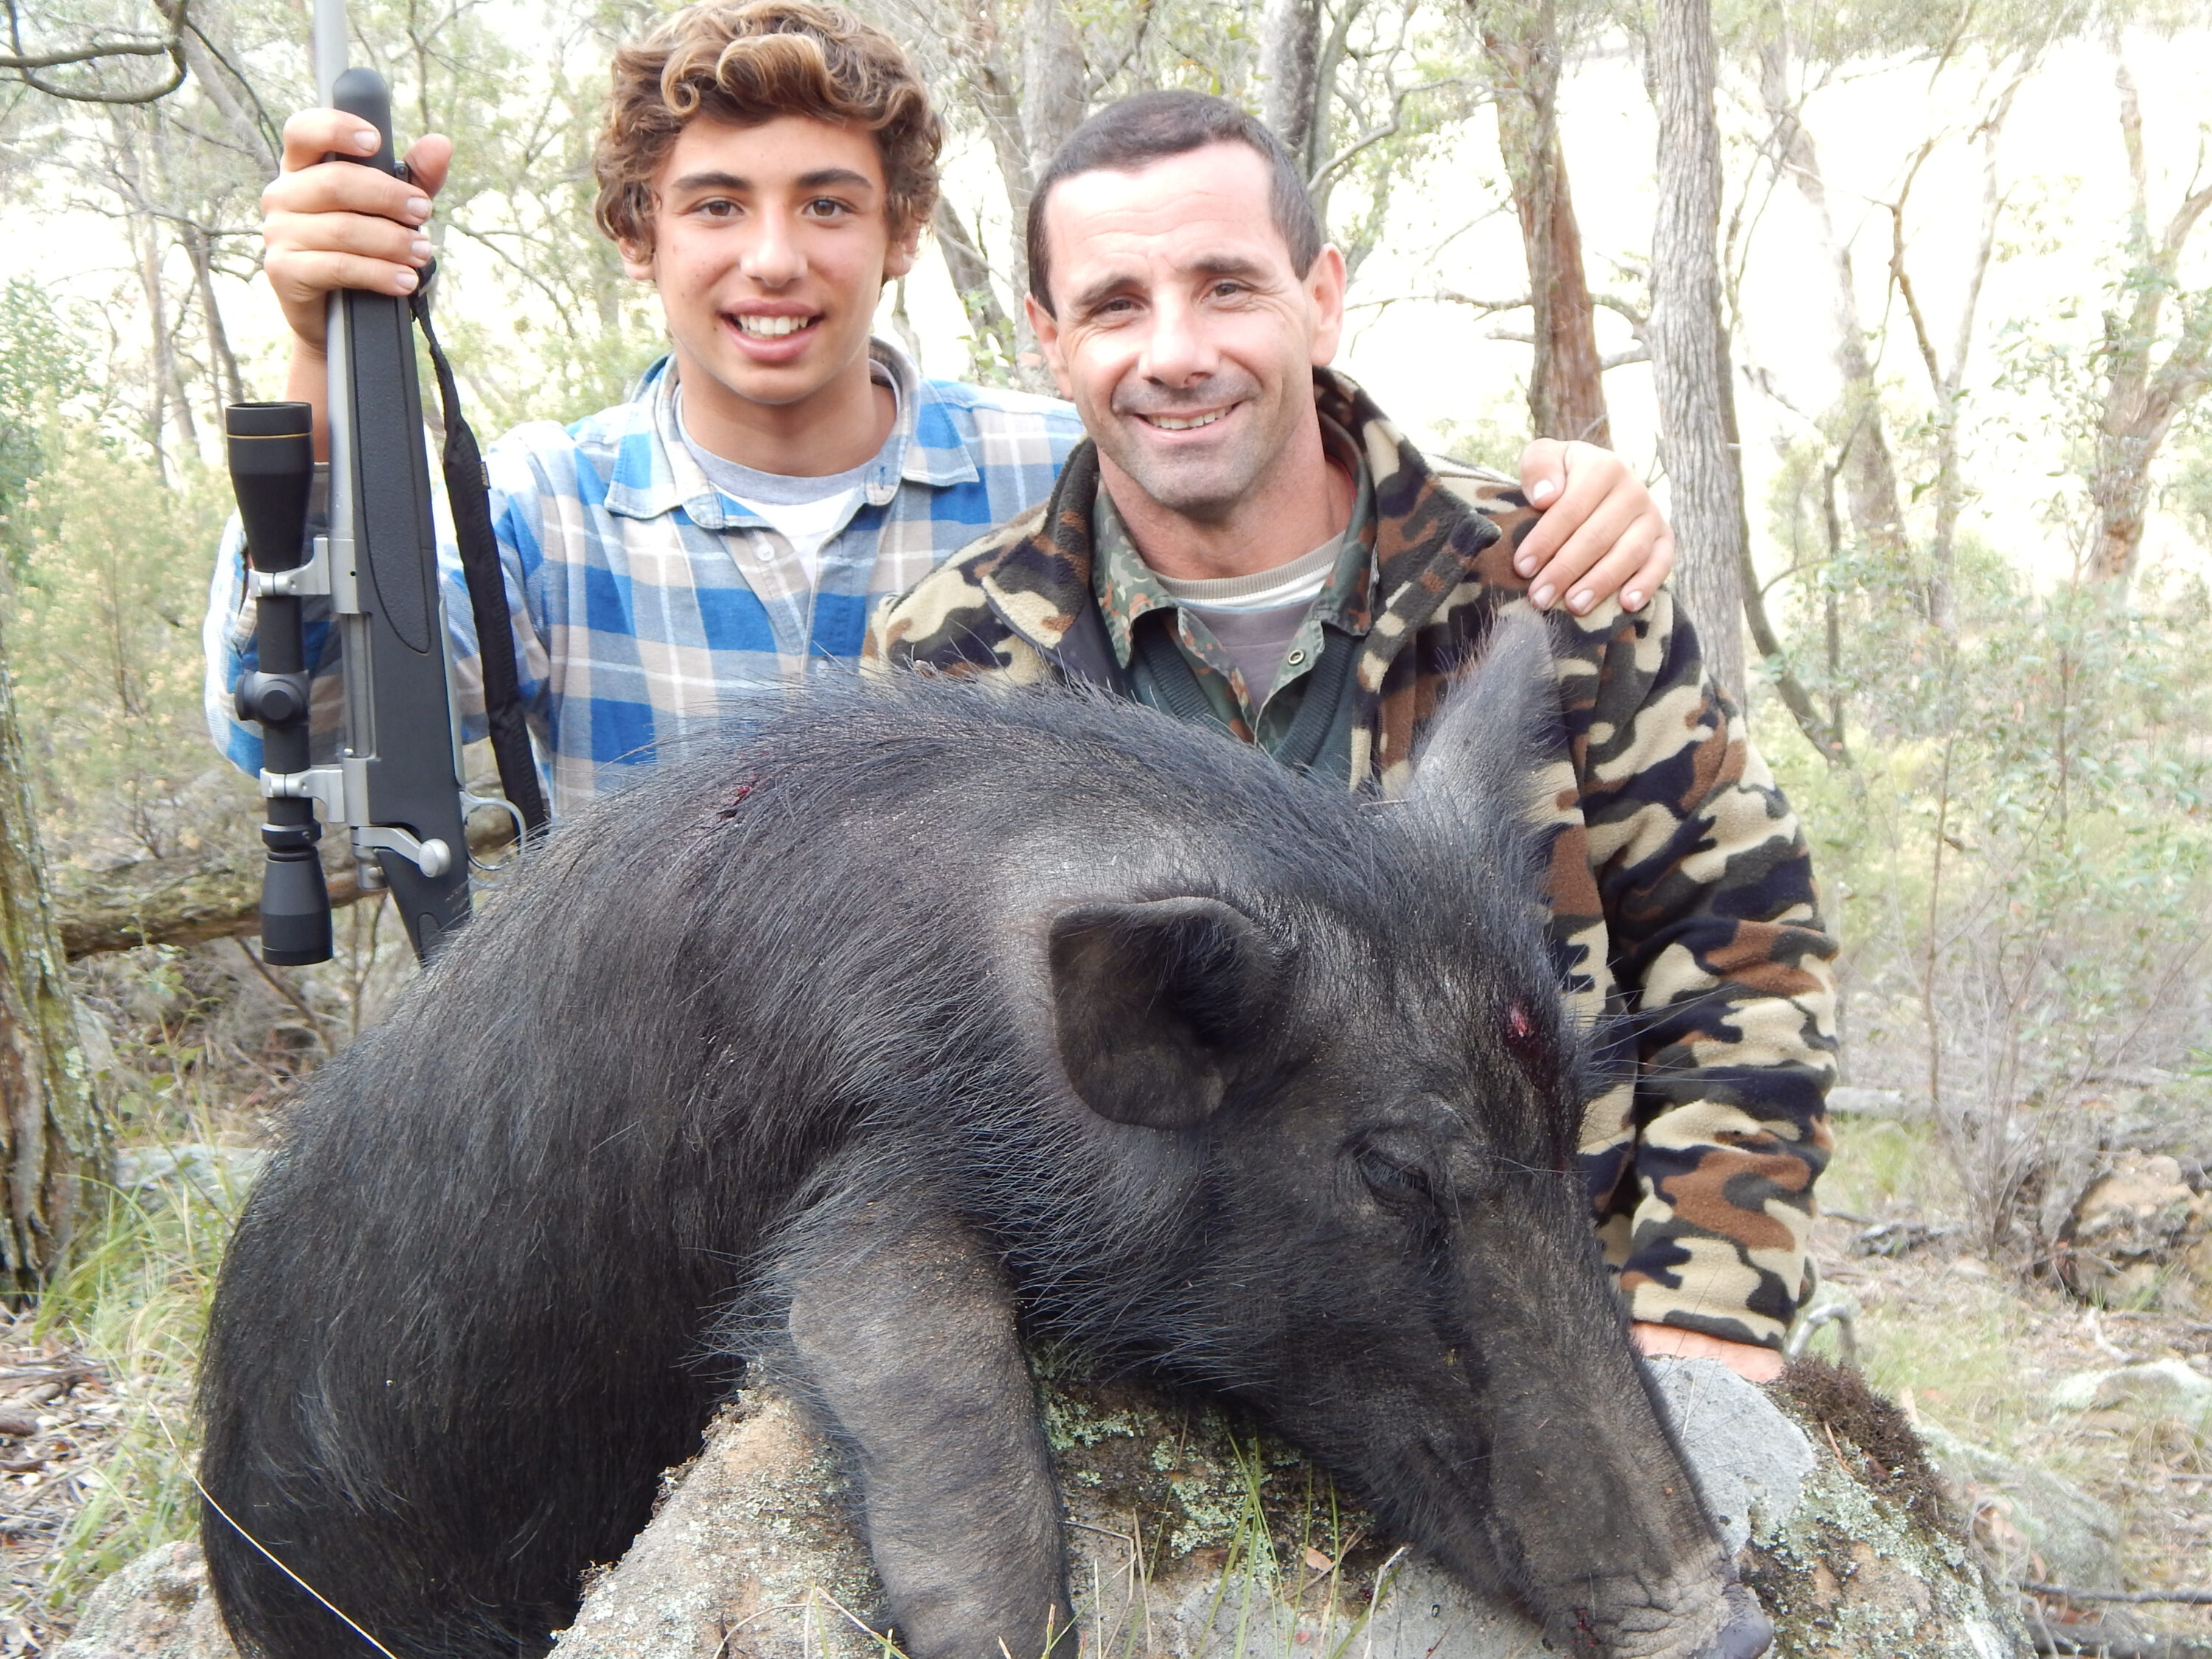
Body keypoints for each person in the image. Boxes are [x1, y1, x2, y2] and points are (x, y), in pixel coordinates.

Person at [867, 90, 1837, 1382]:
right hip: (1161, 1382)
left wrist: (1701, 1310)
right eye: (1113, 305)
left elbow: (1741, 948)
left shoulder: (1547, 584)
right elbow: (912, 1091)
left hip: (1563, 1342)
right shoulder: (949, 661)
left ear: (1320, 296)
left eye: (1227, 288)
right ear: (1048, 338)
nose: (1174, 351)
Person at [206, 0, 1677, 816]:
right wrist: (317, 354)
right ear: (637, 237)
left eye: (827, 205)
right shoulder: (534, 511)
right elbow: (289, 722)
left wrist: (1574, 500)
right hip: (655, 1164)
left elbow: (1324, 497)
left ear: (902, 234)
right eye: (716, 205)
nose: (774, 258)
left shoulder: (1067, 468)